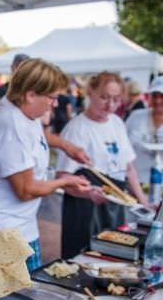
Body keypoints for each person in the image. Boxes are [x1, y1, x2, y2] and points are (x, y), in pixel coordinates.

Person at [0, 58, 90, 271]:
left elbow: (38, 135)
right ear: (30, 94)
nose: (55, 104)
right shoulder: (11, 126)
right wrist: (63, 181)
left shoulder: (22, 110)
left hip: (19, 226)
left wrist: (67, 146)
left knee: (27, 297)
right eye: (52, 97)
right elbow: (26, 189)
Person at [56, 72, 149, 259]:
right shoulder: (77, 128)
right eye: (104, 97)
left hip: (115, 204)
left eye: (116, 99)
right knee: (85, 258)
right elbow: (63, 178)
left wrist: (143, 202)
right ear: (90, 92)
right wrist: (88, 192)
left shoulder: (116, 122)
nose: (110, 105)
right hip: (84, 208)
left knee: (114, 255)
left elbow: (128, 166)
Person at [126, 76, 163, 183]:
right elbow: (122, 144)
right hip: (136, 181)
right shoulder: (136, 116)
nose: (158, 100)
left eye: (162, 96)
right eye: (155, 96)